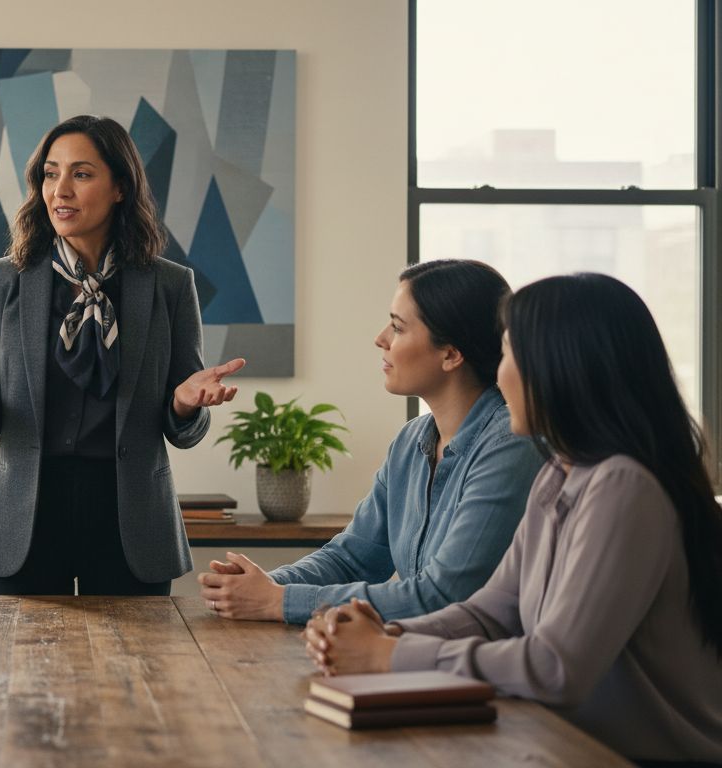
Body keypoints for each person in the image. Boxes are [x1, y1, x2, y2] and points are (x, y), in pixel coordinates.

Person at [303, 274, 722, 764]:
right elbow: (492, 612)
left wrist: (388, 655)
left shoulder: (624, 487)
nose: (497, 377)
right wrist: (388, 635)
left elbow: (554, 667)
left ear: (559, 369)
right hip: (563, 747)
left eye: (506, 356)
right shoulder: (559, 477)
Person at [0, 114, 245, 595]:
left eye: (81, 174)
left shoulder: (169, 285)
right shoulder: (4, 280)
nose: (61, 190)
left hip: (130, 520)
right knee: (15, 669)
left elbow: (183, 428)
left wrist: (184, 404)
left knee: (139, 670)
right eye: (50, 174)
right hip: (25, 518)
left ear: (120, 187)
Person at [199, 260, 543, 624]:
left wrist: (277, 601)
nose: (381, 339)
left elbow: (443, 597)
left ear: (451, 354)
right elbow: (353, 558)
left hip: (478, 669)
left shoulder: (510, 444)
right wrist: (263, 585)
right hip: (415, 658)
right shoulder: (411, 441)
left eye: (397, 327)